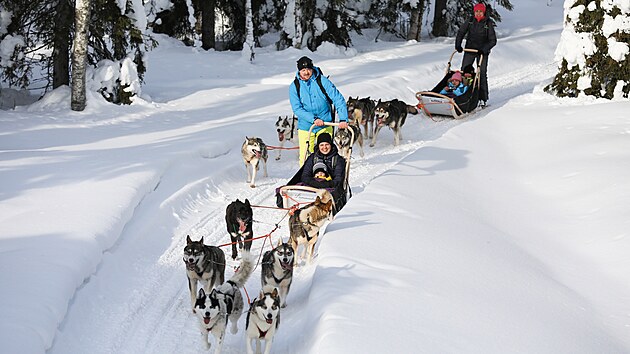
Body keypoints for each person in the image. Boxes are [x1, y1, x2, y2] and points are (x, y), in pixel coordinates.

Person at [289, 56, 348, 166]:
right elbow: (297, 108)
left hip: (325, 123)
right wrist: (313, 119)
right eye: (303, 70)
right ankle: (306, 178)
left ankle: (327, 178)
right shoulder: (294, 86)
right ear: (299, 71)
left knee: (326, 152)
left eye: (308, 69)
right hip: (306, 125)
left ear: (312, 69)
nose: (306, 72)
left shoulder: (322, 81)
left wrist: (343, 118)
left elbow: (338, 99)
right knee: (305, 156)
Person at [455, 2, 497, 107]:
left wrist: (484, 49)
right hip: (470, 50)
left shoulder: (488, 23)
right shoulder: (470, 21)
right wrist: (458, 45)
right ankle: (462, 95)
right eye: (476, 11)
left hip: (482, 53)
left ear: (483, 12)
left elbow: (493, 40)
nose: (478, 14)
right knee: (464, 72)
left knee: (481, 73)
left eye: (480, 12)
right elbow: (461, 32)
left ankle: (483, 98)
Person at [301, 132, 346, 208]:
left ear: (331, 145)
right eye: (321, 145)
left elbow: (338, 180)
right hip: (312, 186)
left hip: (329, 187)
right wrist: (315, 183)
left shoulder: (337, 160)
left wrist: (324, 184)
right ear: (318, 146)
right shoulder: (312, 157)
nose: (324, 147)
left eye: (327, 144)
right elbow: (305, 175)